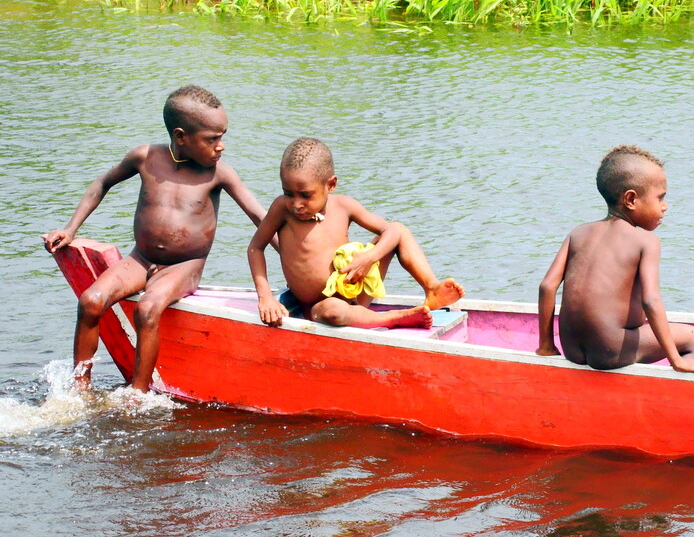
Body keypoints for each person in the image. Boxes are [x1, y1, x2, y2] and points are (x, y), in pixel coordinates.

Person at [43, 85, 272, 393]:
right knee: (90, 302)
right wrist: (70, 229)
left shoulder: (219, 174)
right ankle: (80, 389)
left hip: (185, 265)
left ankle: (138, 394)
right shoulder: (145, 157)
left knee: (147, 309)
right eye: (212, 139)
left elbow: (261, 218)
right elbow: (101, 183)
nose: (221, 146)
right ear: (181, 137)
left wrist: (296, 261)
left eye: (222, 136)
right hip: (141, 258)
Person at [536, 145, 694, 380]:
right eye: (660, 197)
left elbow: (547, 287)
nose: (665, 206)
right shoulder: (646, 241)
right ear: (631, 199)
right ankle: (676, 390)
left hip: (572, 350)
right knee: (693, 337)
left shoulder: (577, 233)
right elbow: (651, 300)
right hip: (611, 351)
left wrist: (546, 345)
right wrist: (676, 360)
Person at [248, 137, 465, 329]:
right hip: (318, 307)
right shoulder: (282, 210)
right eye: (288, 193)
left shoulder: (344, 206)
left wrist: (369, 259)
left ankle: (431, 288)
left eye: (305, 195)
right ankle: (393, 318)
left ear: (330, 184)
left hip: (355, 292)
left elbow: (389, 231)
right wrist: (265, 296)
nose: (296, 204)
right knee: (333, 311)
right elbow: (255, 247)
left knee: (398, 229)